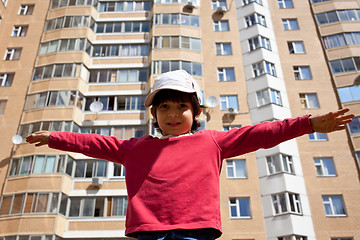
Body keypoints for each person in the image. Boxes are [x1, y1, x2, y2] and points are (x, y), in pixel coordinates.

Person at [26, 70, 354, 240]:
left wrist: (310, 123)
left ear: (195, 113)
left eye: (182, 107)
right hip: (148, 231)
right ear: (154, 115)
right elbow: (92, 143)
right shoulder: (135, 149)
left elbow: (262, 134)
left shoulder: (212, 141)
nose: (172, 114)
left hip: (195, 230)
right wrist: (54, 137)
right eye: (164, 107)